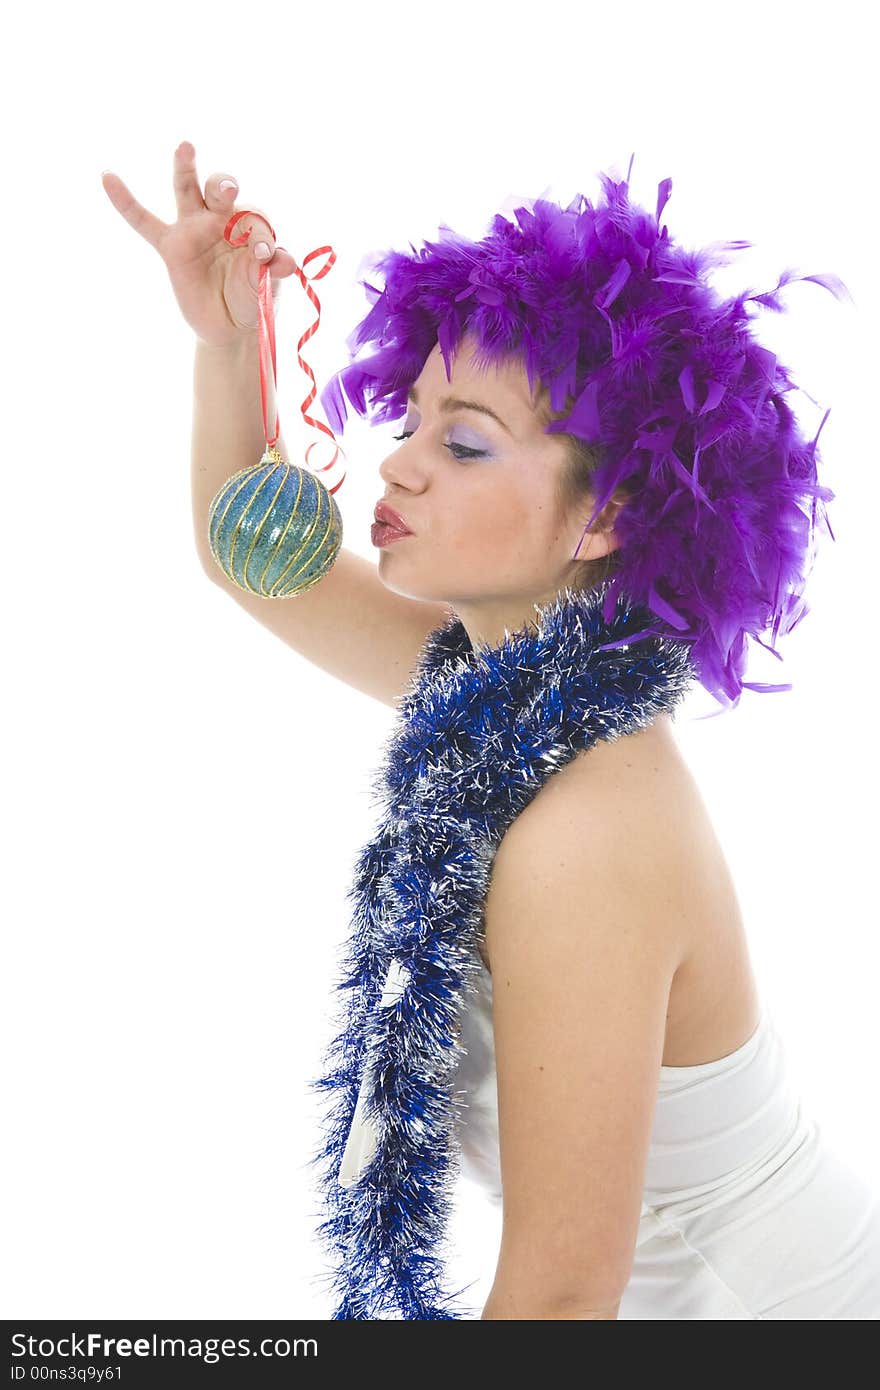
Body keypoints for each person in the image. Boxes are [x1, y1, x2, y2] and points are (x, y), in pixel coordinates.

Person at [104, 144, 880, 1320]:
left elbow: (564, 1293)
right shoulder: (499, 696)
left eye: (462, 444)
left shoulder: (585, 829)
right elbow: (247, 559)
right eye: (412, 419)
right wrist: (228, 342)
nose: (398, 463)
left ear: (608, 514)